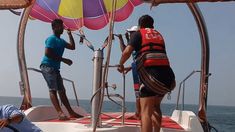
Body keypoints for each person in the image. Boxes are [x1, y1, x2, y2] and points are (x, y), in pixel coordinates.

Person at [117, 15, 175, 132]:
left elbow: (126, 52)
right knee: (156, 107)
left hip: (152, 79)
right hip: (168, 79)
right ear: (152, 25)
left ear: (140, 26)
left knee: (145, 113)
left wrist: (121, 64)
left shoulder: (139, 34)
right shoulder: (159, 35)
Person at [40, 19, 83, 120]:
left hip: (55, 68)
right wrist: (64, 60)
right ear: (54, 28)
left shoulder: (61, 41)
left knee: (62, 91)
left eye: (62, 26)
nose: (62, 28)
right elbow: (48, 54)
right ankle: (60, 113)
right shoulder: (51, 39)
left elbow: (72, 47)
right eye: (60, 26)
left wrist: (69, 34)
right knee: (53, 89)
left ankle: (71, 112)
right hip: (47, 66)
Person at [116, 26, 141, 119]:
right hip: (139, 68)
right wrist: (129, 68)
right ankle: (141, 113)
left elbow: (124, 51)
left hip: (138, 71)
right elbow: (138, 59)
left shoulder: (136, 41)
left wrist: (120, 39)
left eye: (131, 33)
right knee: (142, 92)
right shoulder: (140, 42)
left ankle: (138, 114)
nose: (130, 35)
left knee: (138, 92)